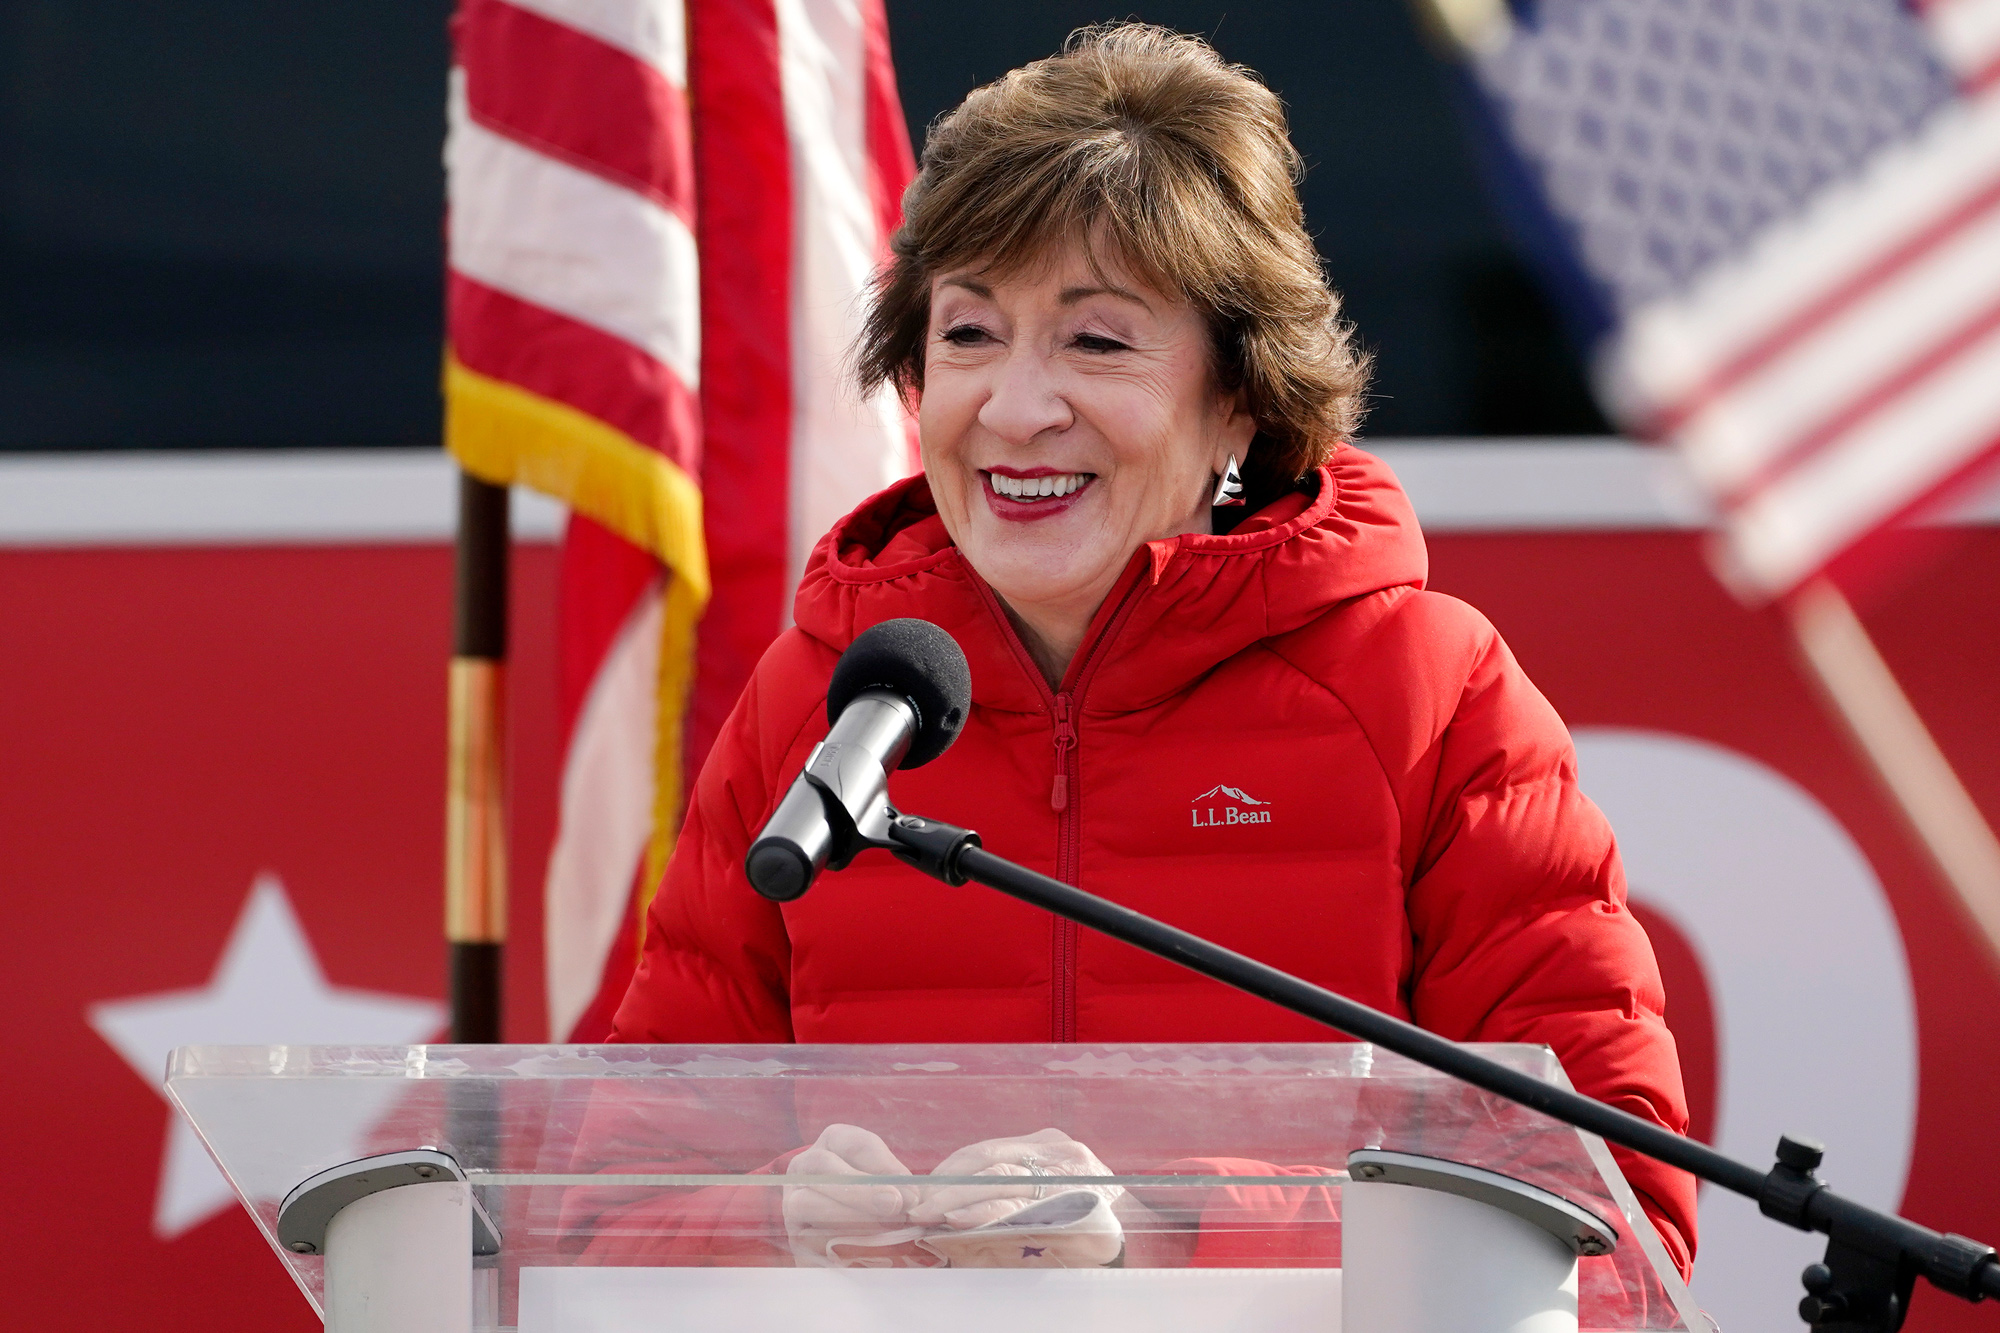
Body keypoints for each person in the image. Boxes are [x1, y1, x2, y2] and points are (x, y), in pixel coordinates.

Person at [599, 22, 1697, 1281]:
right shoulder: (816, 704)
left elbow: (1615, 1238)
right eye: (966, 335)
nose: (1014, 407)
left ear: (1238, 396)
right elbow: (594, 1215)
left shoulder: (1429, 691)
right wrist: (766, 1222)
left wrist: (1170, 1229)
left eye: (1097, 340)